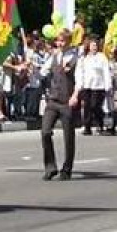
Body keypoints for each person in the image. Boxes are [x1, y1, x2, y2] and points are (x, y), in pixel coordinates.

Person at [40, 29, 79, 181]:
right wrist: (29, 69)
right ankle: (50, 166)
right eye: (58, 40)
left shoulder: (75, 58)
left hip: (66, 101)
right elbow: (43, 71)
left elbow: (80, 79)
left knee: (68, 136)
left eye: (62, 41)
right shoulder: (54, 56)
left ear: (69, 41)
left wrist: (75, 95)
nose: (59, 43)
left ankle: (67, 168)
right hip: (53, 100)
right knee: (45, 132)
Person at [74, 37, 111, 136]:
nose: (94, 47)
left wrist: (108, 85)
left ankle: (100, 123)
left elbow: (106, 71)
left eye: (95, 45)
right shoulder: (84, 58)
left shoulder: (102, 57)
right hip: (87, 85)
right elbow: (79, 72)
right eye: (92, 45)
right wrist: (79, 84)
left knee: (95, 106)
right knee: (87, 106)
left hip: (99, 86)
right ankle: (87, 126)